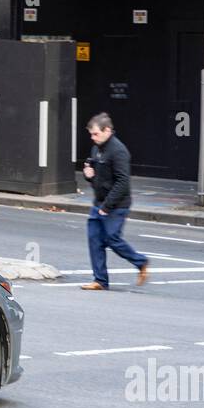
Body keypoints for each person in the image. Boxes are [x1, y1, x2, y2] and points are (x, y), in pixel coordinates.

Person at [80, 113, 149, 291]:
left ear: (107, 130)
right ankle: (100, 280)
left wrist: (107, 206)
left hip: (117, 205)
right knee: (94, 240)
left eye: (95, 134)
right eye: (91, 134)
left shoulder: (119, 151)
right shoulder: (96, 149)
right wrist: (89, 176)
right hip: (99, 202)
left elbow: (122, 182)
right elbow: (97, 177)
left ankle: (141, 262)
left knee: (112, 238)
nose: (92, 137)